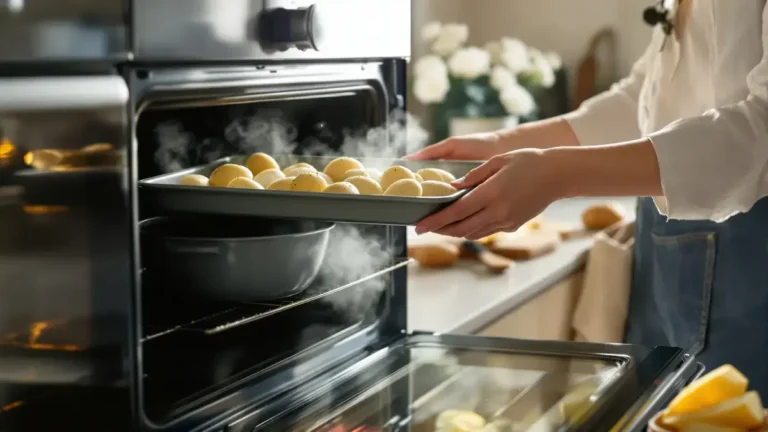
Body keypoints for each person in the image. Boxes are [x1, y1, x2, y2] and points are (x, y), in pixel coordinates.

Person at [406, 1, 768, 395]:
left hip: (750, 258)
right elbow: (643, 99)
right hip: (667, 251)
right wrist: (502, 143)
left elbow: (762, 128)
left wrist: (559, 174)